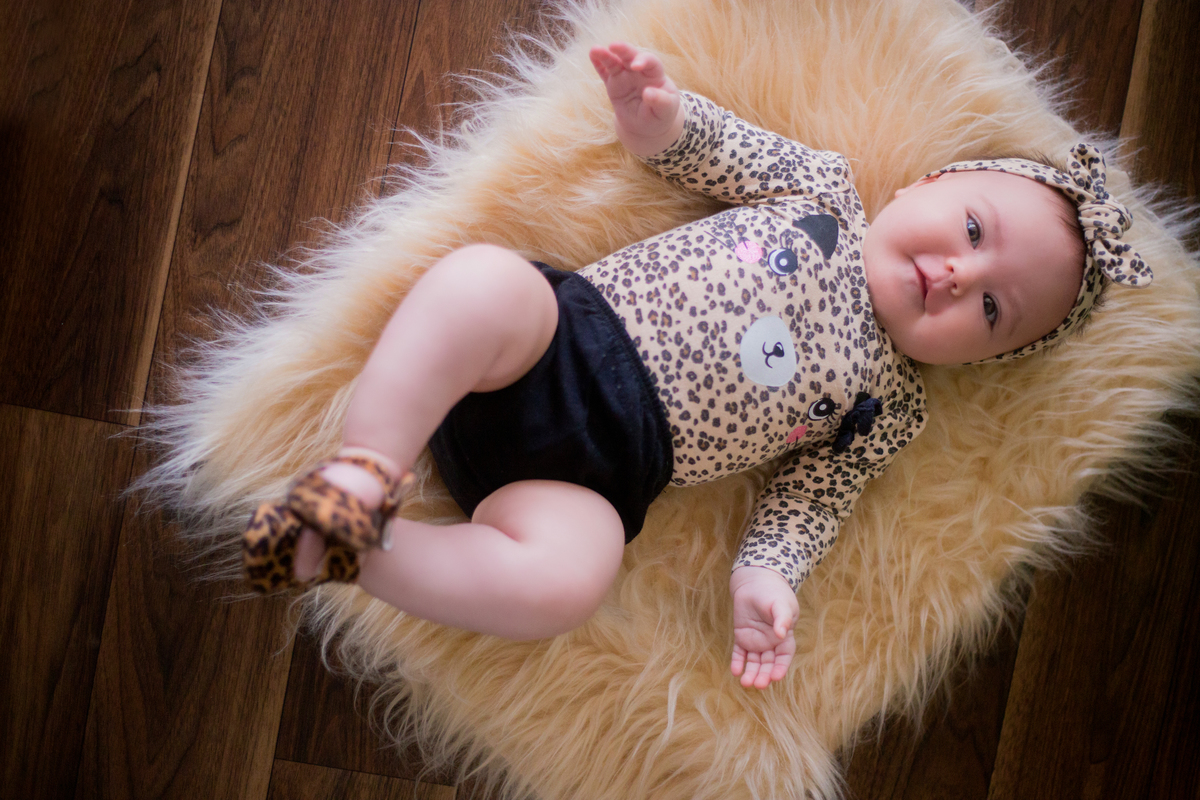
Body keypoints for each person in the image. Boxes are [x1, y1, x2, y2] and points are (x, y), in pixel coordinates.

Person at [242, 42, 1150, 689]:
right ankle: (364, 467)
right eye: (973, 229)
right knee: (483, 282)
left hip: (594, 482)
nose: (958, 275)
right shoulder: (821, 192)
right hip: (553, 342)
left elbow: (808, 504)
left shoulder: (888, 408)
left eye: (992, 310)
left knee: (573, 581)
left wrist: (766, 578)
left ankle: (359, 551)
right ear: (925, 186)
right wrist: (656, 115)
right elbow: (709, 152)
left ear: (985, 358)